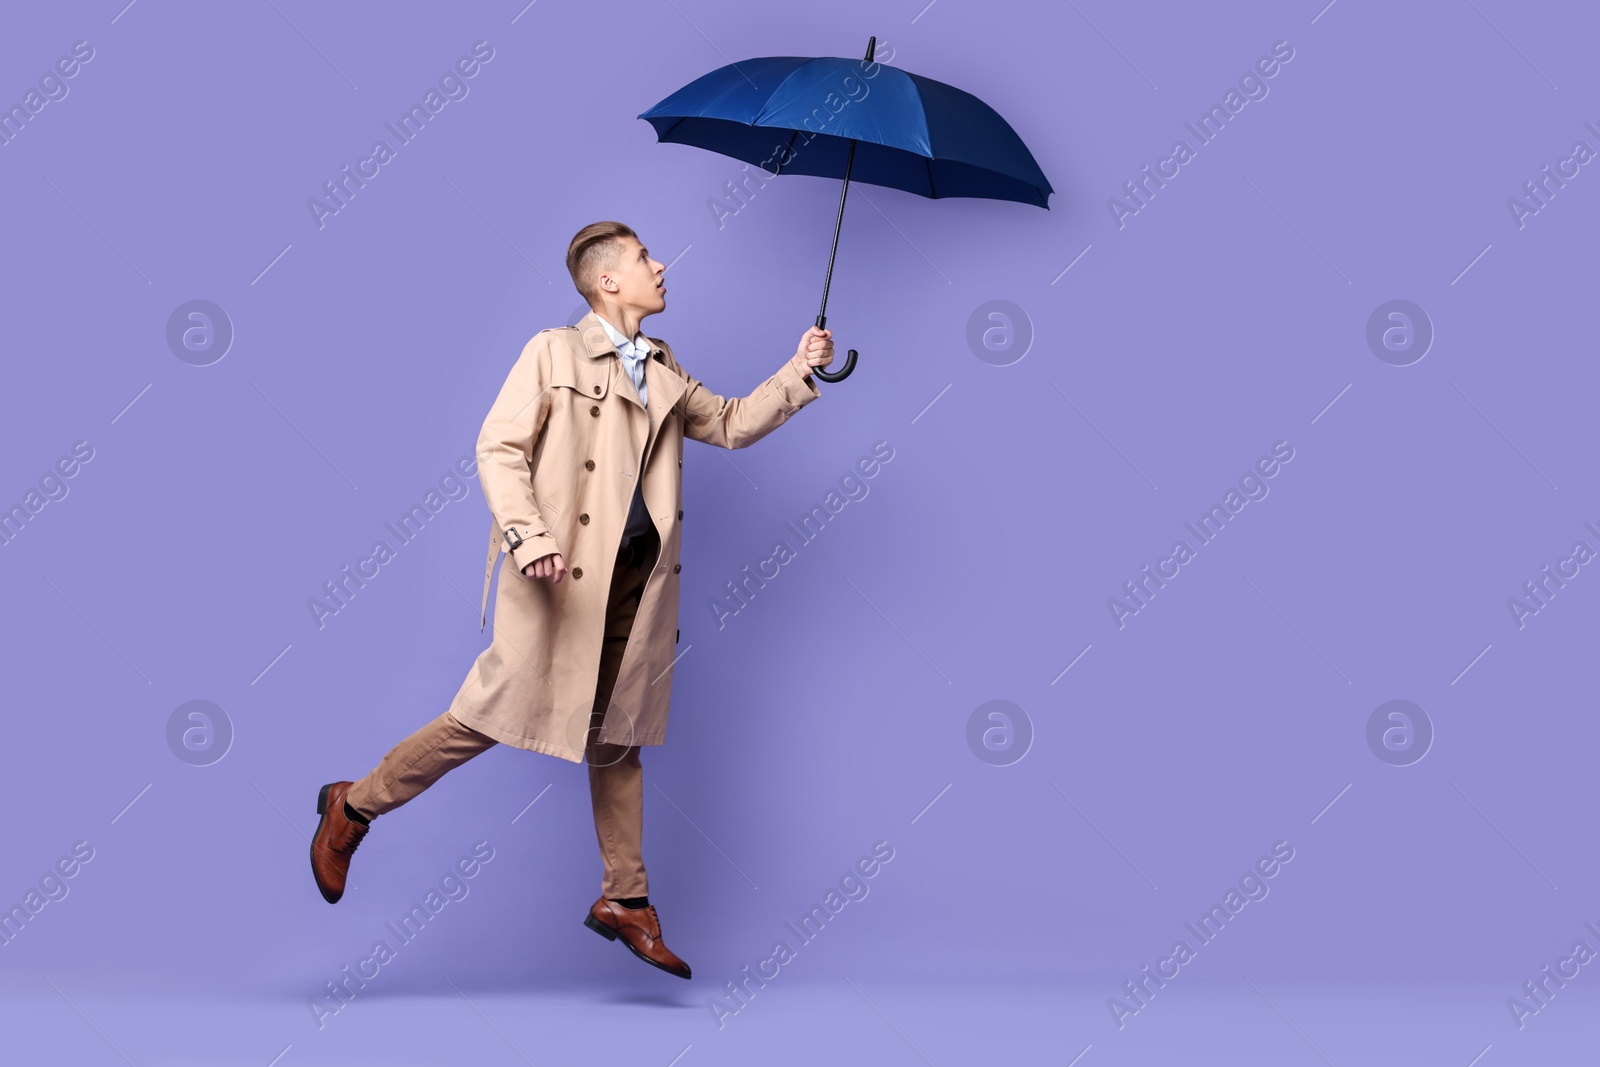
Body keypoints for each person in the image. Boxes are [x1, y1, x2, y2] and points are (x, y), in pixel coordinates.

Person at [310, 220, 834, 979]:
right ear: (607, 282)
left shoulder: (662, 365)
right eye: (646, 258)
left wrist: (798, 368)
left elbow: (726, 423)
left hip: (637, 584)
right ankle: (354, 805)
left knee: (616, 737)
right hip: (557, 581)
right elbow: (498, 446)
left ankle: (626, 897)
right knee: (483, 717)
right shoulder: (551, 351)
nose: (661, 265)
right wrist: (527, 534)